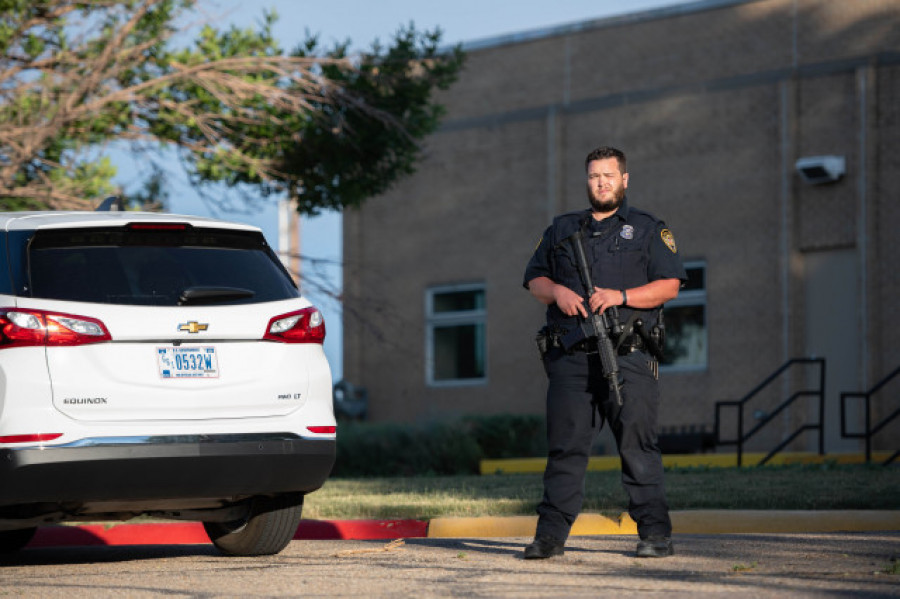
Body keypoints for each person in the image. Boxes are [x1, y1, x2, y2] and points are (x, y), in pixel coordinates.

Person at [522, 145, 686, 559]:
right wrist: (557, 291)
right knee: (565, 448)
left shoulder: (648, 228)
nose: (601, 183)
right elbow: (534, 279)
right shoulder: (562, 229)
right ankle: (549, 538)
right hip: (572, 357)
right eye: (594, 176)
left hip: (628, 355)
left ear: (624, 180)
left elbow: (670, 285)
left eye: (609, 176)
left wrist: (621, 295)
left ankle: (654, 534)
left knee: (637, 444)